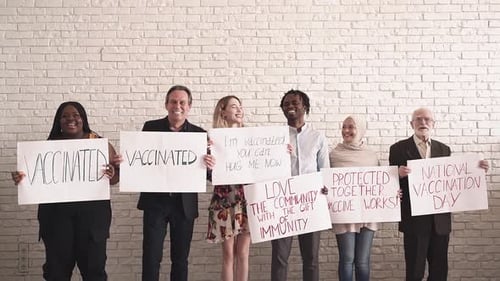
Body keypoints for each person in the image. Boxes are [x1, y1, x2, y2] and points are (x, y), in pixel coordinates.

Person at [11, 101, 120, 281]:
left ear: (83, 118)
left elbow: (114, 180)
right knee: (56, 272)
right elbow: (32, 178)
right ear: (58, 121)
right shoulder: (47, 147)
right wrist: (22, 179)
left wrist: (112, 173)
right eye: (65, 116)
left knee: (94, 271)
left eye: (76, 115)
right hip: (56, 218)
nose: (71, 119)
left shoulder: (99, 143)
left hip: (92, 218)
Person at [389, 107, 489, 281]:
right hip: (414, 221)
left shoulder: (444, 149)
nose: (423, 122)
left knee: (439, 272)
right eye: (418, 119)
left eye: (427, 119)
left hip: (440, 222)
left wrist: (478, 169)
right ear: (411, 123)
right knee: (414, 272)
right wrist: (396, 174)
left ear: (433, 124)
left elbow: (454, 179)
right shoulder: (398, 149)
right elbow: (388, 184)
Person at [137, 85, 209, 281]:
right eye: (173, 102)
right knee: (151, 257)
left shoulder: (199, 134)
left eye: (182, 102)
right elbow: (139, 161)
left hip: (183, 205)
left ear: (189, 106)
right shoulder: (150, 128)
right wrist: (125, 162)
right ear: (166, 104)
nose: (177, 106)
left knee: (180, 259)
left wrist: (210, 165)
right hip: (155, 203)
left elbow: (209, 175)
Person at [271, 89, 330, 281]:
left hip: (310, 204)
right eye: (286, 103)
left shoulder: (318, 137)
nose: (290, 106)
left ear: (305, 106)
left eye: (295, 103)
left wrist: (326, 190)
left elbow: (325, 171)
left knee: (311, 258)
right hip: (282, 204)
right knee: (280, 258)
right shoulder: (274, 138)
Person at [206, 95, 251, 281]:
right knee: (228, 255)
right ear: (223, 111)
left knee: (243, 254)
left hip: (246, 200)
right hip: (223, 202)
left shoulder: (252, 138)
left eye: (240, 106)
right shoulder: (213, 140)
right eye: (234, 106)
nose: (239, 110)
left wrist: (283, 152)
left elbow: (265, 167)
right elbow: (209, 177)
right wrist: (207, 164)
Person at [329, 115, 378, 281]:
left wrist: (393, 194)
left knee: (363, 261)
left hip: (367, 214)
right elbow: (327, 181)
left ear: (361, 130)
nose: (346, 131)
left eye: (351, 127)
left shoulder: (371, 156)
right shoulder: (334, 155)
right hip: (345, 215)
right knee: (347, 259)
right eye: (344, 127)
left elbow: (379, 184)